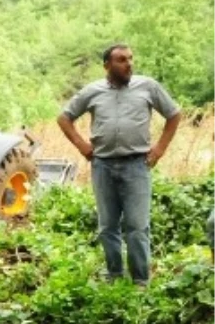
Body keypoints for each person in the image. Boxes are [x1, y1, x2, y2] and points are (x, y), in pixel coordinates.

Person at [57, 44, 181, 284]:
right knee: (107, 226)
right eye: (122, 60)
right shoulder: (92, 91)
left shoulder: (148, 87)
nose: (129, 64)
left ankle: (140, 282)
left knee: (137, 227)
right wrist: (82, 145)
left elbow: (174, 114)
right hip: (102, 166)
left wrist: (160, 150)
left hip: (136, 165)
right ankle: (114, 275)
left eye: (131, 59)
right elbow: (64, 118)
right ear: (107, 65)